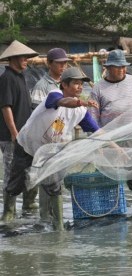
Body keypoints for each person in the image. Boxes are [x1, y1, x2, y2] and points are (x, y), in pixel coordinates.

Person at [2, 67, 100, 229]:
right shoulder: (54, 95)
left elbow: (97, 131)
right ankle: (8, 214)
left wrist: (117, 148)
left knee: (54, 184)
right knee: (16, 182)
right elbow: (63, 102)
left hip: (49, 151)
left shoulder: (81, 112)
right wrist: (81, 101)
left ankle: (58, 223)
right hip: (27, 145)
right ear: (64, 85)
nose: (80, 87)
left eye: (81, 84)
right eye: (76, 83)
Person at [89, 49, 132, 216]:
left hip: (131, 136)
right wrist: (98, 142)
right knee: (106, 175)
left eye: (124, 67)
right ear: (108, 68)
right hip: (109, 140)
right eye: (118, 67)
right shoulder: (98, 88)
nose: (122, 70)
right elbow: (93, 118)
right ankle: (108, 212)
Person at [30, 48, 71, 221]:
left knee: (58, 178)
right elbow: (37, 116)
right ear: (49, 64)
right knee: (46, 178)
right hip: (46, 141)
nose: (63, 66)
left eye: (65, 63)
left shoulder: (67, 83)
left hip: (62, 139)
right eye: (59, 63)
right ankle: (45, 217)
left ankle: (56, 216)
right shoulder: (42, 87)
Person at [0, 40, 39, 219]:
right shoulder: (7, 78)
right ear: (14, 58)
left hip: (23, 136)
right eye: (24, 57)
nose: (27, 61)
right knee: (11, 171)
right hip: (10, 136)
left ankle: (27, 208)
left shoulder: (20, 76)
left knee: (25, 169)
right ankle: (8, 213)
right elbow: (6, 107)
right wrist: (15, 133)